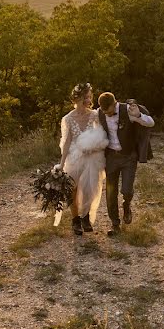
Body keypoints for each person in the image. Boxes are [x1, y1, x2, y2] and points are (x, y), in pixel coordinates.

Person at [97, 92, 155, 236]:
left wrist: (139, 116)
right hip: (111, 157)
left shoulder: (128, 110)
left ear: (114, 103)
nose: (106, 114)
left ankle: (126, 204)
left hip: (128, 157)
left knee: (127, 190)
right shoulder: (99, 113)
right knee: (110, 192)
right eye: (104, 112)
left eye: (108, 111)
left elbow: (151, 122)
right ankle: (115, 224)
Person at [56, 83, 109, 236]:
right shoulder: (68, 119)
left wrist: (93, 147)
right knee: (71, 188)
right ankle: (75, 219)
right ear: (77, 98)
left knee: (88, 188)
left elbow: (100, 134)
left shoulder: (94, 115)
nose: (89, 100)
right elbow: (66, 142)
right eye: (86, 97)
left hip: (91, 155)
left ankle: (85, 217)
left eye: (90, 97)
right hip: (74, 156)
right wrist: (61, 163)